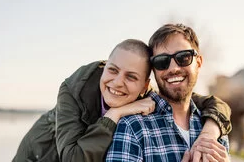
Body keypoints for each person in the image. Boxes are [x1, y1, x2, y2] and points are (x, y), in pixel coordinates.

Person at [13, 39, 231, 162]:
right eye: (113, 70)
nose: (117, 83)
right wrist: (115, 114)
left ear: (145, 86)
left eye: (131, 77)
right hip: (40, 153)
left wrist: (208, 134)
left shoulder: (147, 96)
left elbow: (213, 104)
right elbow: (73, 158)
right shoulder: (73, 89)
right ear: (105, 65)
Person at [106, 24, 231, 162]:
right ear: (154, 70)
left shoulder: (215, 129)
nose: (174, 68)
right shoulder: (132, 127)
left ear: (199, 62)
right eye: (162, 61)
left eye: (183, 57)